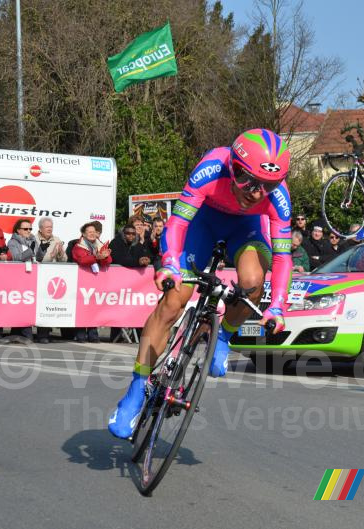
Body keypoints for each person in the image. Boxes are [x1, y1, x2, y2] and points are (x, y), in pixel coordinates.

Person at [109, 128, 292, 439]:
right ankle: (137, 388)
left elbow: (283, 258)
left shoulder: (277, 198)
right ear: (233, 165)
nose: (256, 192)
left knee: (252, 282)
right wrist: (169, 263)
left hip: (246, 231)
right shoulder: (211, 168)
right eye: (247, 180)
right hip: (202, 224)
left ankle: (222, 338)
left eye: (268, 185)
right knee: (172, 303)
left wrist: (278, 306)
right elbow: (177, 223)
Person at [71, 221, 112, 343]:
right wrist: (96, 257)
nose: (92, 234)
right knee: (82, 308)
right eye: (89, 232)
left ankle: (93, 334)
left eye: (94, 232)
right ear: (83, 234)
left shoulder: (100, 245)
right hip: (82, 281)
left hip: (95, 282)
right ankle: (81, 335)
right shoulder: (79, 246)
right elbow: (82, 260)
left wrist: (104, 257)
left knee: (94, 308)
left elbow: (108, 260)